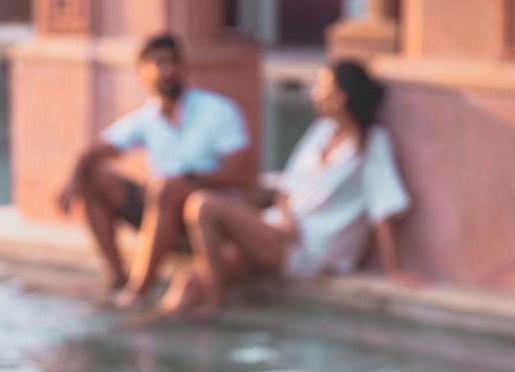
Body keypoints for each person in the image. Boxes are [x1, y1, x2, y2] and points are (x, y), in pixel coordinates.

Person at [154, 60, 415, 318]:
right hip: (280, 230)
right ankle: (149, 333)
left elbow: (383, 206)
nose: (314, 92)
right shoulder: (321, 132)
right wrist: (286, 216)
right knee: (187, 283)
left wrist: (394, 269)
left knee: (203, 206)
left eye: (321, 86)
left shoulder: (372, 143)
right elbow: (287, 187)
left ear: (339, 98)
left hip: (311, 246)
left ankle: (216, 303)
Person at [56, 33, 253, 308]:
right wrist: (73, 181)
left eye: (173, 62)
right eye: (158, 63)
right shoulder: (146, 117)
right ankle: (119, 278)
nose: (167, 71)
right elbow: (95, 151)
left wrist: (186, 180)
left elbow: (239, 173)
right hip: (161, 208)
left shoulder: (218, 110)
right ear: (142, 72)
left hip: (205, 210)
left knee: (166, 188)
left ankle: (138, 291)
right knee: (94, 180)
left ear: (184, 67)